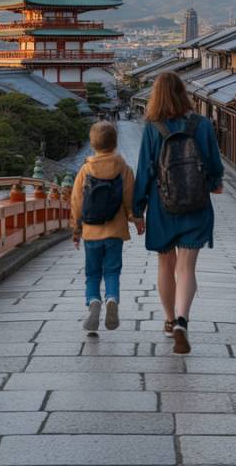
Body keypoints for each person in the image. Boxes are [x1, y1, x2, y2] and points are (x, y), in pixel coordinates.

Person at [133, 72, 223, 354]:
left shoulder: (152, 128)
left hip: (162, 205)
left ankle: (169, 319)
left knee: (165, 265)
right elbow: (214, 164)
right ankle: (184, 319)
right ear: (183, 93)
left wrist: (138, 209)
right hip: (196, 205)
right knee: (187, 267)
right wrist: (213, 184)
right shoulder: (202, 124)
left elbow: (145, 171)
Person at [69, 121, 142, 335]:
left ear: (93, 144)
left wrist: (76, 230)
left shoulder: (85, 169)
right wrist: (135, 218)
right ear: (115, 143)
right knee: (112, 271)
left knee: (92, 273)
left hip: (91, 232)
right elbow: (130, 198)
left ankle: (93, 303)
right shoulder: (124, 168)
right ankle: (112, 299)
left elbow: (76, 201)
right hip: (115, 231)